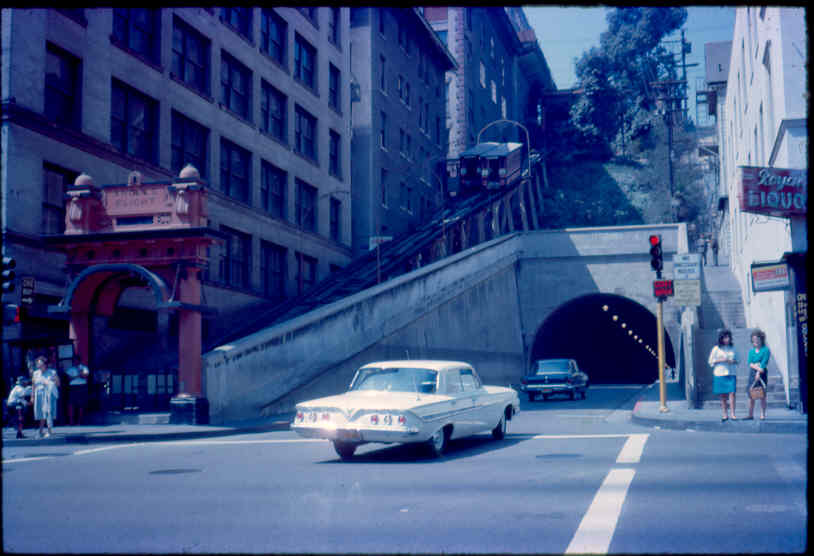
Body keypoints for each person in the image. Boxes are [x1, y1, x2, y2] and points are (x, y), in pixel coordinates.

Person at [709, 329, 738, 421]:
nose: (727, 339)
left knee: (732, 393)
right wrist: (721, 360)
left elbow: (738, 360)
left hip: (731, 373)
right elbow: (710, 361)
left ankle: (733, 414)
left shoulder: (733, 348)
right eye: (725, 338)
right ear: (721, 339)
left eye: (728, 337)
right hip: (720, 373)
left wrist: (732, 361)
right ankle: (725, 414)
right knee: (723, 395)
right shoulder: (716, 349)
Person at [31, 355, 60, 438]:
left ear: (45, 364)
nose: (38, 365)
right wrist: (32, 396)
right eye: (37, 363)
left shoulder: (52, 372)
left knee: (48, 412)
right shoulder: (35, 373)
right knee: (40, 413)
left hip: (48, 395)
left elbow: (58, 384)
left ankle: (49, 431)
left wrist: (54, 380)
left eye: (40, 363)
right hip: (38, 394)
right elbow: (33, 385)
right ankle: (40, 431)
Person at [745, 328, 770, 420]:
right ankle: (750, 414)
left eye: (757, 339)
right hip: (752, 373)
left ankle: (762, 414)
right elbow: (750, 363)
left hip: (762, 374)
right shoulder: (751, 351)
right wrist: (757, 368)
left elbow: (764, 362)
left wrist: (759, 372)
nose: (755, 341)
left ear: (761, 339)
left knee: (762, 394)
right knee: (751, 394)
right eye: (754, 340)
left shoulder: (766, 350)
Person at [65, 356, 90, 425]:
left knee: (81, 404)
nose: (75, 362)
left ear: (79, 360)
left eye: (76, 360)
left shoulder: (84, 368)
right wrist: (79, 375)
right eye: (74, 360)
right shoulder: (70, 369)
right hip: (73, 387)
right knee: (71, 404)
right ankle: (71, 421)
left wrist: (78, 371)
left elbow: (85, 376)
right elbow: (69, 378)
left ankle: (79, 421)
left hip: (82, 386)